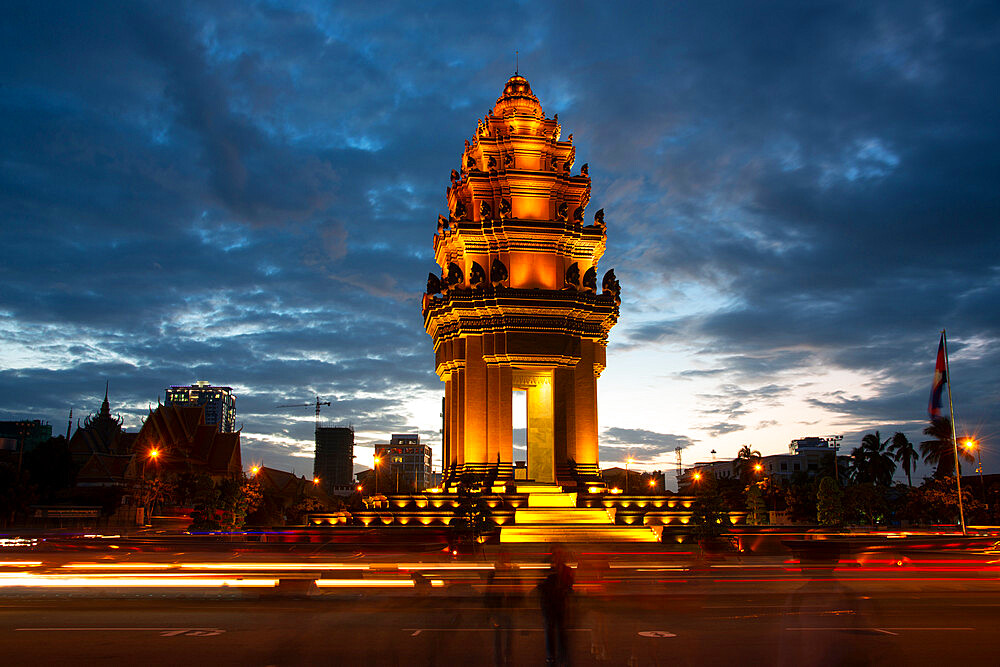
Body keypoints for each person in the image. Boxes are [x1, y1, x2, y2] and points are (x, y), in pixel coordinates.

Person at [538, 546, 574, 666]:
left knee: (561, 631)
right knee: (550, 631)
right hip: (549, 605)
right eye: (556, 554)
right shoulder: (548, 569)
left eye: (560, 554)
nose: (559, 557)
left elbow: (570, 586)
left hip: (560, 604)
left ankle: (561, 656)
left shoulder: (567, 570)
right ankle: (551, 656)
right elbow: (541, 585)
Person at [485, 549, 516, 666]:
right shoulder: (494, 573)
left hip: (507, 607)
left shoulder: (510, 572)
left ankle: (506, 658)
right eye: (503, 556)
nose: (505, 558)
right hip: (499, 608)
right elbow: (489, 593)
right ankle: (501, 660)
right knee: (499, 636)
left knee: (507, 636)